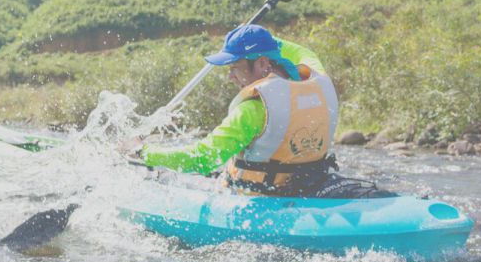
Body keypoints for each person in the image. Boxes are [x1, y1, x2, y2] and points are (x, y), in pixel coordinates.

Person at [128, 23, 343, 196]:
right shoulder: (316, 78)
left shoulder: (254, 109)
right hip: (307, 189)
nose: (230, 77)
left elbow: (203, 159)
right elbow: (300, 50)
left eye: (235, 68)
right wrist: (252, 35)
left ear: (262, 64)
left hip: (260, 202)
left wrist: (143, 151)